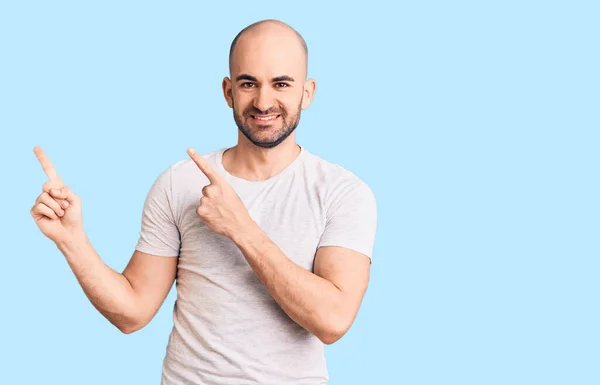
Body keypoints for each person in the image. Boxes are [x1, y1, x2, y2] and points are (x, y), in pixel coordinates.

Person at [30, 19, 378, 385]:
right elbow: (132, 313)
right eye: (248, 83)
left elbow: (333, 321)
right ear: (228, 92)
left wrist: (241, 228)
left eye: (281, 84)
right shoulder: (179, 183)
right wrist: (72, 241)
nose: (263, 102)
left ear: (307, 93)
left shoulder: (344, 192)